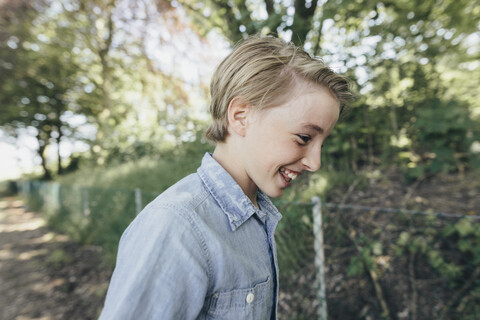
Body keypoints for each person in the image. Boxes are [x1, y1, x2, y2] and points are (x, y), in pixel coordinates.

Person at [99, 35, 352, 320]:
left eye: (321, 142)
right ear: (241, 116)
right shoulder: (176, 228)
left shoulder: (256, 216)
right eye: (304, 137)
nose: (315, 162)